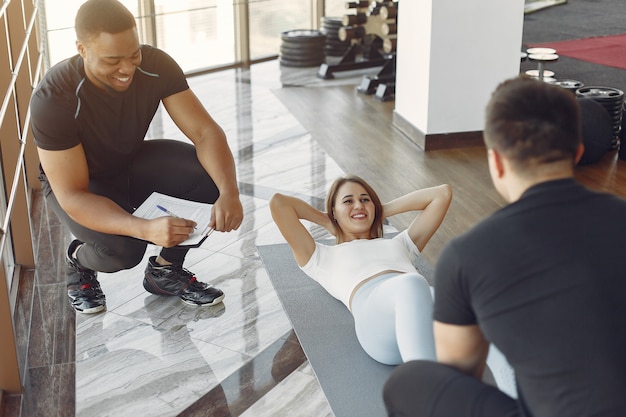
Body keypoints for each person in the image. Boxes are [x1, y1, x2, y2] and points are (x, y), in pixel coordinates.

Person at [383, 76, 626, 416]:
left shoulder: (466, 256)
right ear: (579, 153)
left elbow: (462, 375)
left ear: (495, 162)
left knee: (408, 382)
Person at [30, 0, 243, 314]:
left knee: (209, 176)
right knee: (125, 250)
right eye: (113, 59)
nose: (127, 68)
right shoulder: (54, 98)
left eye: (133, 55)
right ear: (82, 49)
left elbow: (205, 133)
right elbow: (73, 194)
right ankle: (77, 261)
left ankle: (165, 272)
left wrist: (229, 192)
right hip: (80, 184)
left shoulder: (156, 65)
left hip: (127, 162)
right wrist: (144, 229)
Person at [269, 175, 452, 365]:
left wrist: (379, 210)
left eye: (365, 200)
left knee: (465, 300)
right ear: (334, 211)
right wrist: (327, 220)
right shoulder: (320, 257)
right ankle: (427, 381)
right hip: (378, 326)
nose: (358, 205)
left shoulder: (400, 244)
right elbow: (279, 204)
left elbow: (442, 193)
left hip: (421, 312)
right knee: (413, 284)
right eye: (348, 201)